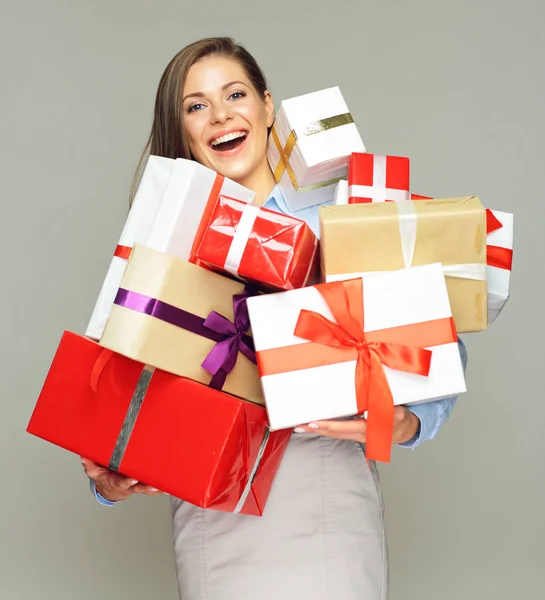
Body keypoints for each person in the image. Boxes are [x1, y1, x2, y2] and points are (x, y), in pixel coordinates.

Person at [82, 37, 468, 600]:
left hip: (325, 491)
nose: (220, 115)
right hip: (212, 507)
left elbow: (438, 339)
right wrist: (110, 480)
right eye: (196, 106)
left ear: (267, 107)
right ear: (183, 131)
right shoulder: (164, 240)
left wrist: (407, 423)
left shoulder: (344, 210)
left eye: (234, 94)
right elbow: (117, 387)